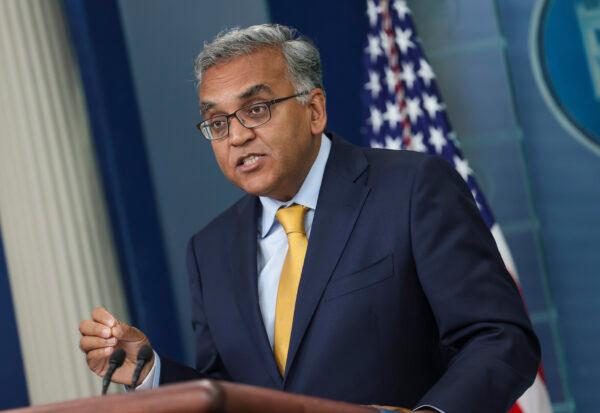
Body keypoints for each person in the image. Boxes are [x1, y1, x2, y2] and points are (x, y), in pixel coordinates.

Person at [79, 24, 540, 412]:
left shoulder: (413, 188)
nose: (236, 136)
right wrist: (150, 371)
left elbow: (499, 338)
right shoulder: (209, 249)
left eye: (255, 110)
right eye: (217, 123)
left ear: (314, 110)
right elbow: (231, 391)